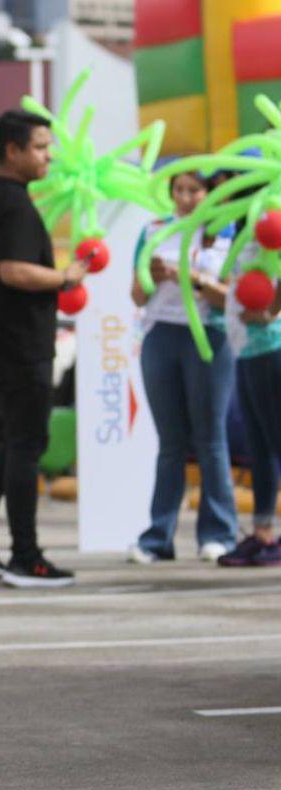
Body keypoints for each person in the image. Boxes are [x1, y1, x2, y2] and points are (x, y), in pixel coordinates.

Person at [0, 110, 89, 588]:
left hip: (9, 341)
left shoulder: (3, 199)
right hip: (18, 345)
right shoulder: (13, 205)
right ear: (13, 150)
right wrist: (65, 276)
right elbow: (14, 271)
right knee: (28, 445)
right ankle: (25, 556)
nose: (48, 156)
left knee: (17, 443)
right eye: (41, 147)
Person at [127, 173, 238, 564]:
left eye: (195, 190)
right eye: (180, 190)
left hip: (208, 337)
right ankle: (158, 537)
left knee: (210, 439)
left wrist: (194, 279)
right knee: (170, 444)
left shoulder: (226, 231)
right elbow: (136, 293)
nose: (186, 198)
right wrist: (153, 278)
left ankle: (220, 533)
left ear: (210, 193)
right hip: (162, 335)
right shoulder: (155, 229)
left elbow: (233, 299)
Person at [218, 266, 281, 567]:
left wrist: (270, 312)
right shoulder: (244, 230)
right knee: (260, 448)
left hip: (271, 346)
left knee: (275, 443)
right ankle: (263, 533)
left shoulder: (267, 224)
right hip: (247, 350)